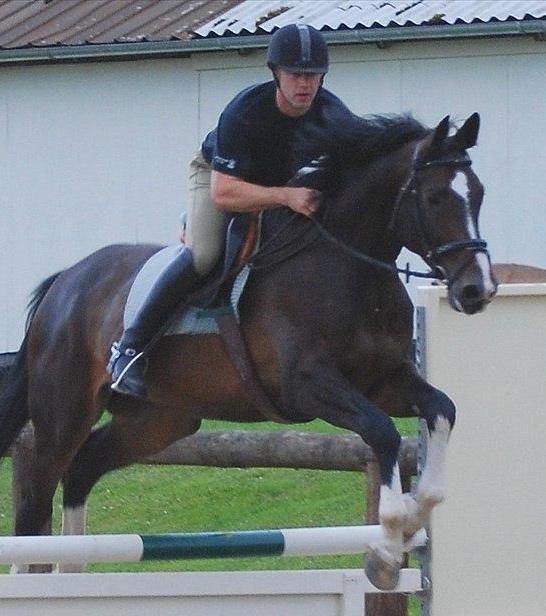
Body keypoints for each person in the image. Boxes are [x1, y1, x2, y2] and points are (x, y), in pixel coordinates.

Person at [109, 23, 361, 399]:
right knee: (205, 255)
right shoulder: (246, 111)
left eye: (313, 75)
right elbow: (225, 194)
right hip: (219, 179)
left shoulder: (334, 114)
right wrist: (287, 198)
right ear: (276, 73)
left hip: (280, 184)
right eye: (295, 74)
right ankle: (129, 349)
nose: (304, 84)